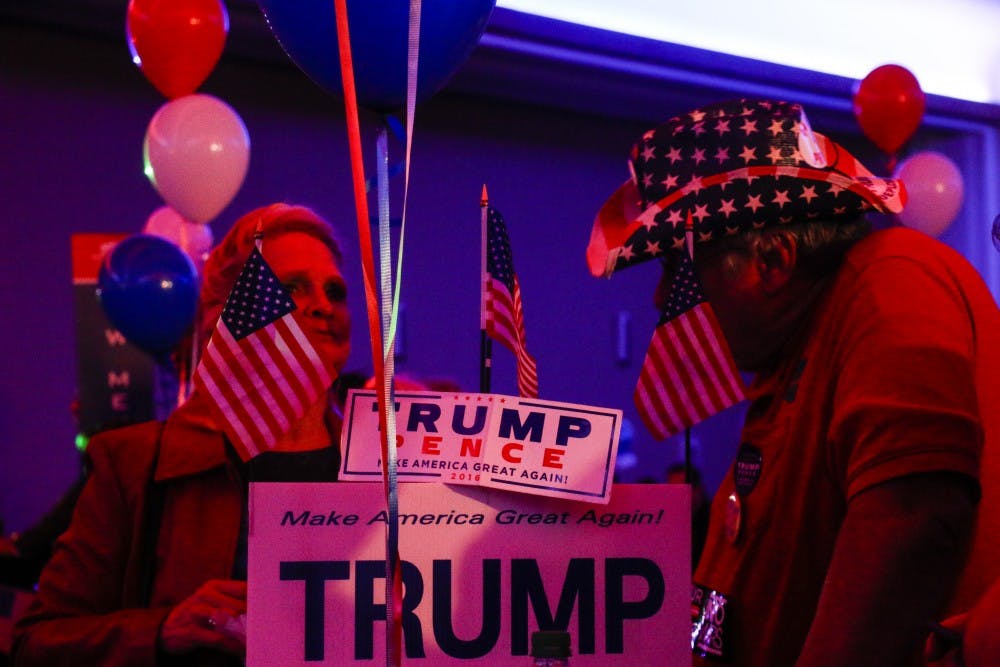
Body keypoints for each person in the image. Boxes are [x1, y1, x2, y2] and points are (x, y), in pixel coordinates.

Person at [586, 99, 1000, 666]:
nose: (663, 299)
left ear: (772, 260)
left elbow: (911, 519)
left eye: (678, 269)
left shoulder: (890, 278)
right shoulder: (796, 347)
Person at [12, 202, 352, 666]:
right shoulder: (135, 464)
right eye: (291, 287)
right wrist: (162, 630)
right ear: (231, 315)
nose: (322, 306)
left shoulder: (391, 464)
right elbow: (36, 641)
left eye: (335, 290)